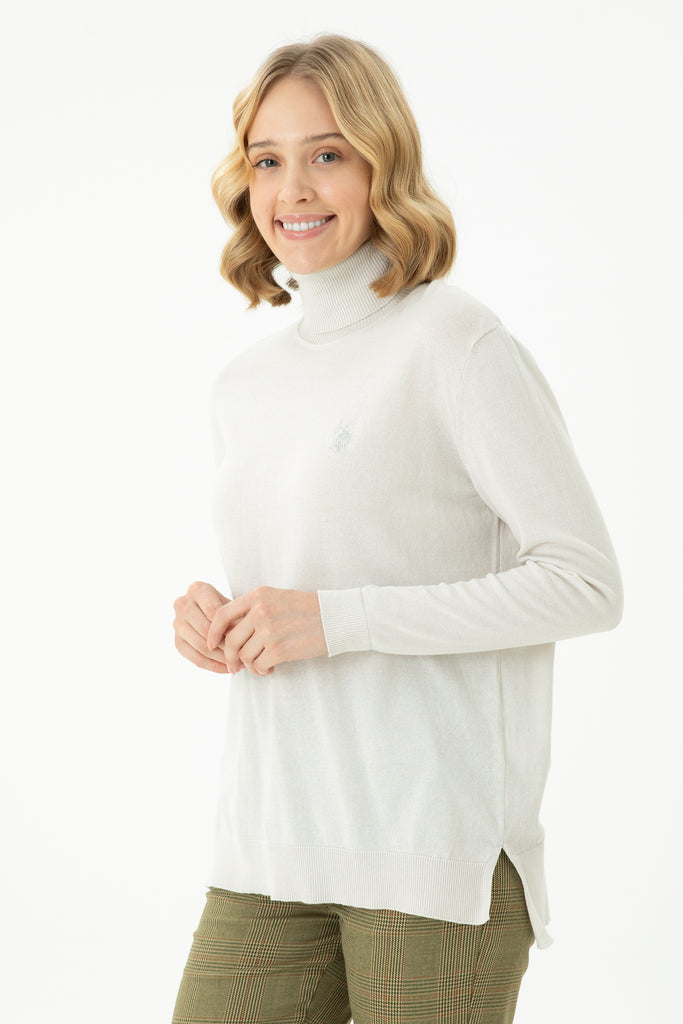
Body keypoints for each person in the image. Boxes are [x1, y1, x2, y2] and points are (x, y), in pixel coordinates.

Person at [171, 33, 623, 1024]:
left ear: (384, 162)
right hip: (269, 843)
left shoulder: (455, 343)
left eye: (327, 153)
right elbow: (308, 573)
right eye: (267, 159)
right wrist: (222, 621)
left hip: (431, 853)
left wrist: (336, 620)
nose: (293, 188)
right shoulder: (244, 384)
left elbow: (586, 583)